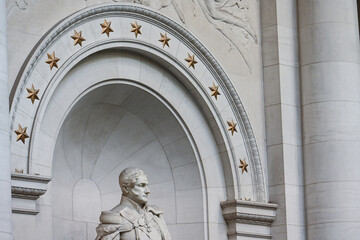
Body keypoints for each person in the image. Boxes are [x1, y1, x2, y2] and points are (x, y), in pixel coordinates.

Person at [95, 168, 171, 240]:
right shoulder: (114, 219)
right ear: (126, 188)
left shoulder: (155, 214)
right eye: (141, 185)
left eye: (147, 185)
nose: (148, 191)